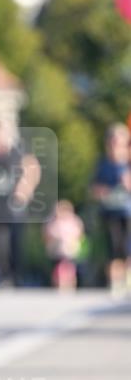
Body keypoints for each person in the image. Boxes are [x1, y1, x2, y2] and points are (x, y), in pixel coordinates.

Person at [0, 120, 41, 288]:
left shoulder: (17, 152)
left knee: (16, 243)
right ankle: (3, 276)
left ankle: (16, 276)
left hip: (14, 205)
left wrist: (25, 188)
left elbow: (33, 168)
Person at [90, 123, 131, 295]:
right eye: (113, 141)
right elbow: (94, 189)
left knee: (127, 247)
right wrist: (104, 191)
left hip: (127, 211)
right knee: (114, 247)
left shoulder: (128, 164)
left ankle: (127, 282)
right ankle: (115, 283)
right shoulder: (103, 164)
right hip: (110, 212)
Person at [42, 200, 85, 290]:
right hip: (56, 250)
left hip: (70, 249)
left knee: (70, 266)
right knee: (58, 267)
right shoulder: (52, 222)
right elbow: (47, 236)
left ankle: (71, 282)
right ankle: (58, 282)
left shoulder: (74, 221)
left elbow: (79, 235)